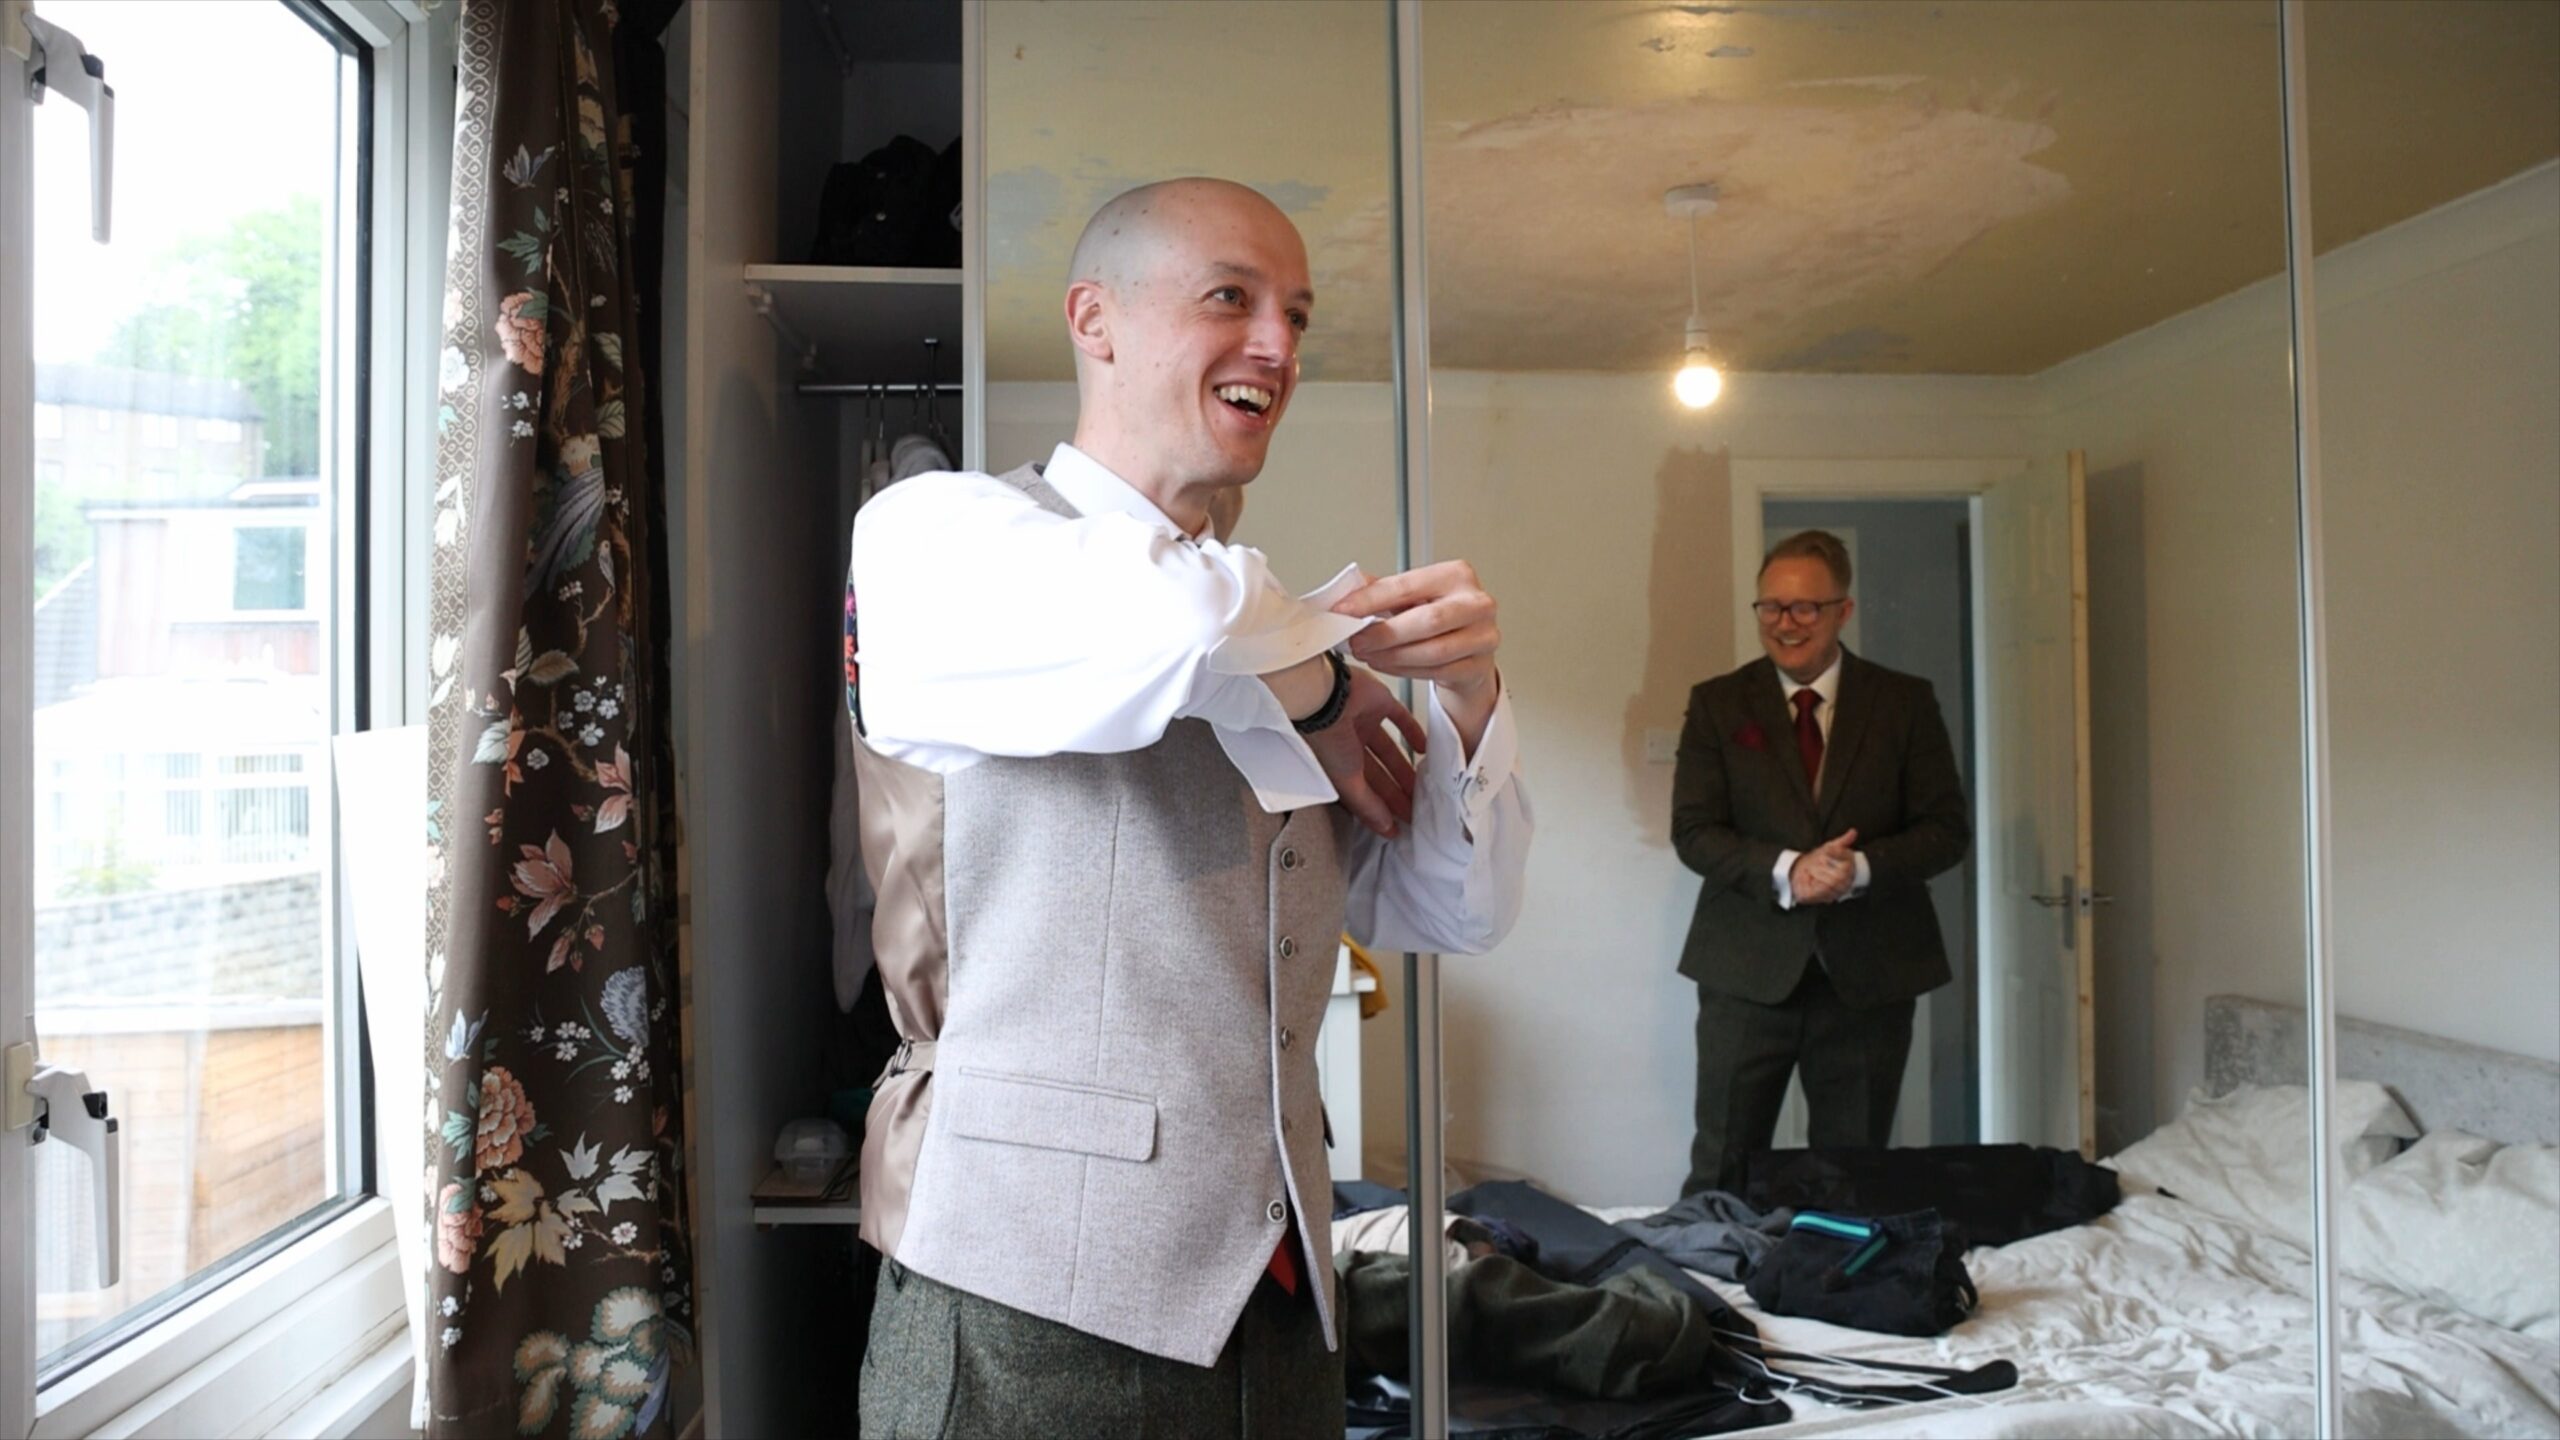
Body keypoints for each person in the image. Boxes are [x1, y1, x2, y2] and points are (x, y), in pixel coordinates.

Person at [846, 177, 1533, 1439]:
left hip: (1281, 1309)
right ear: (1093, 319)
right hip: (1026, 1295)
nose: (1278, 345)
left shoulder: (1268, 627)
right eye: (1230, 297)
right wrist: (1325, 680)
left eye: (1297, 316)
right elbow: (1163, 622)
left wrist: (1470, 701)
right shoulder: (940, 535)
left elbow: (1453, 911)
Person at [1670, 529, 1969, 1197]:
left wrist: (1856, 870)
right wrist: (1789, 869)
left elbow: (1946, 831)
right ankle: (1711, 1266)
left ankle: (1831, 1264)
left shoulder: (1904, 702)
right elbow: (1693, 831)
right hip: (1745, 971)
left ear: (1843, 611)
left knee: (1852, 1175)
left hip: (1870, 974)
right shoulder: (1719, 703)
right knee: (1721, 1168)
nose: (1786, 623)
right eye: (1771, 606)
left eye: (1805, 607)